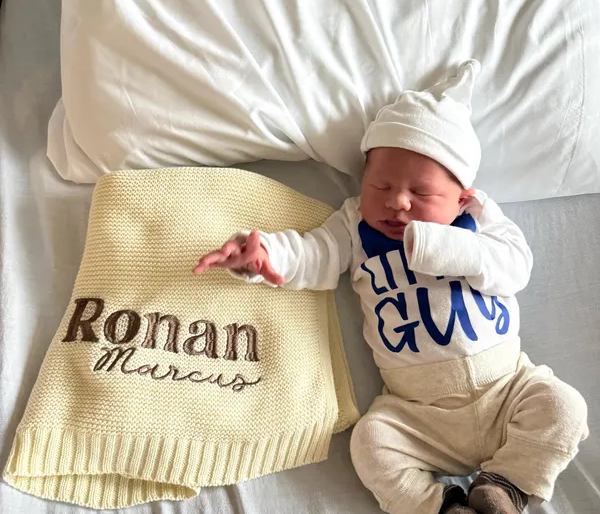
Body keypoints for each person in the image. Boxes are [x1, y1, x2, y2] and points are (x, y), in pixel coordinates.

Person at [193, 61, 588, 514]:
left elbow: (516, 268)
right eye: (380, 186)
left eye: (421, 194)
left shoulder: (480, 220)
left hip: (506, 388)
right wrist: (263, 256)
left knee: (564, 407)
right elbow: (314, 254)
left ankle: (506, 486)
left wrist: (445, 246)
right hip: (417, 411)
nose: (397, 202)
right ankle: (441, 506)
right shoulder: (355, 226)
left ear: (461, 197)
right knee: (370, 442)